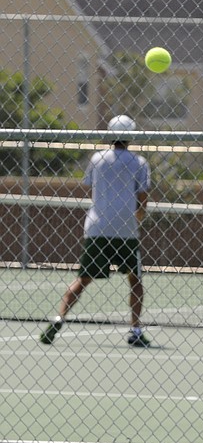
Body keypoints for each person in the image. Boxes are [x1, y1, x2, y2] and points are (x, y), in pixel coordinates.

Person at [38, 115, 152, 347]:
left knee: (82, 280)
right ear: (131, 135)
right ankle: (136, 330)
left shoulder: (97, 159)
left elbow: (90, 186)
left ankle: (59, 318)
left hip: (97, 226)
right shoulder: (139, 162)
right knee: (135, 280)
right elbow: (143, 197)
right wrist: (136, 219)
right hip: (125, 230)